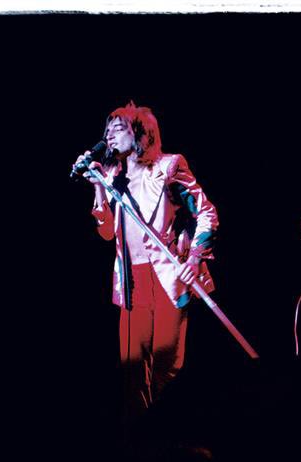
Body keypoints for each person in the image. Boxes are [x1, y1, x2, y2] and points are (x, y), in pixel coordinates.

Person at [74, 101, 219, 426]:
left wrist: (195, 258)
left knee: (167, 367)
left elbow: (206, 213)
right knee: (132, 366)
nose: (110, 134)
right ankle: (138, 442)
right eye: (108, 128)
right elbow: (108, 233)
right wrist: (98, 188)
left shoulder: (169, 166)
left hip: (169, 277)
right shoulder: (112, 176)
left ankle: (169, 435)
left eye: (119, 127)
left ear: (141, 133)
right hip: (131, 281)